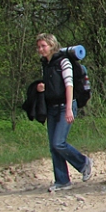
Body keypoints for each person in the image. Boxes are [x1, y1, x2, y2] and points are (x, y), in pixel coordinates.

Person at [35, 33, 92, 192]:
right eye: (39, 46)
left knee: (58, 142)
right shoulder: (45, 64)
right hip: (52, 108)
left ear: (52, 45)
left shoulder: (63, 61)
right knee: (53, 146)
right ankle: (62, 180)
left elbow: (69, 85)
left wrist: (68, 108)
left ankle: (83, 162)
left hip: (64, 106)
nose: (41, 49)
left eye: (43, 46)